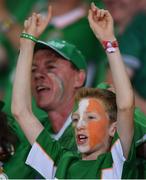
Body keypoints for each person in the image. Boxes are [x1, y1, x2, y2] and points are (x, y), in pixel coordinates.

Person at [11, 3, 137, 179]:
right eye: (75, 120)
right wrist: (26, 43)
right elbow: (20, 111)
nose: (80, 125)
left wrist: (109, 42)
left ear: (113, 128)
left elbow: (125, 105)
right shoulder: (60, 162)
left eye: (90, 117)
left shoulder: (118, 160)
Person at [3, 5, 87, 179]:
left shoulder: (93, 129)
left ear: (79, 78)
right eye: (33, 69)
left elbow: (21, 111)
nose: (39, 75)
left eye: (50, 67)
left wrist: (27, 43)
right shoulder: (32, 134)